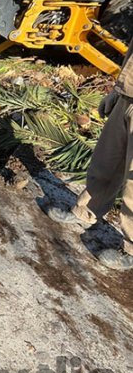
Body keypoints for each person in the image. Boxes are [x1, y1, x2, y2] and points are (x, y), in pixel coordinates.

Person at [49, 49, 133, 270]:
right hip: (128, 98)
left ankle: (132, 249)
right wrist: (118, 91)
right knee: (106, 162)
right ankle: (86, 211)